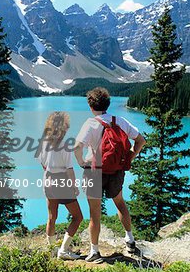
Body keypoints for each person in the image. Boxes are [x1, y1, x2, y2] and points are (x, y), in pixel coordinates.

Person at [74, 87, 146, 263]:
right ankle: (129, 240)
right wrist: (130, 155)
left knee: (95, 213)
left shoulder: (90, 124)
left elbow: (76, 147)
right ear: (107, 104)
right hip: (116, 171)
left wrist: (81, 162)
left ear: (91, 106)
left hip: (94, 172)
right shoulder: (119, 121)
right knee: (120, 203)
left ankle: (95, 252)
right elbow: (141, 140)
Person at [38, 111, 83, 260]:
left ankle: (52, 251)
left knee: (52, 217)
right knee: (77, 217)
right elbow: (69, 170)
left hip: (48, 181)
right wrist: (74, 187)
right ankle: (63, 250)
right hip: (62, 182)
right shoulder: (64, 145)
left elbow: (43, 164)